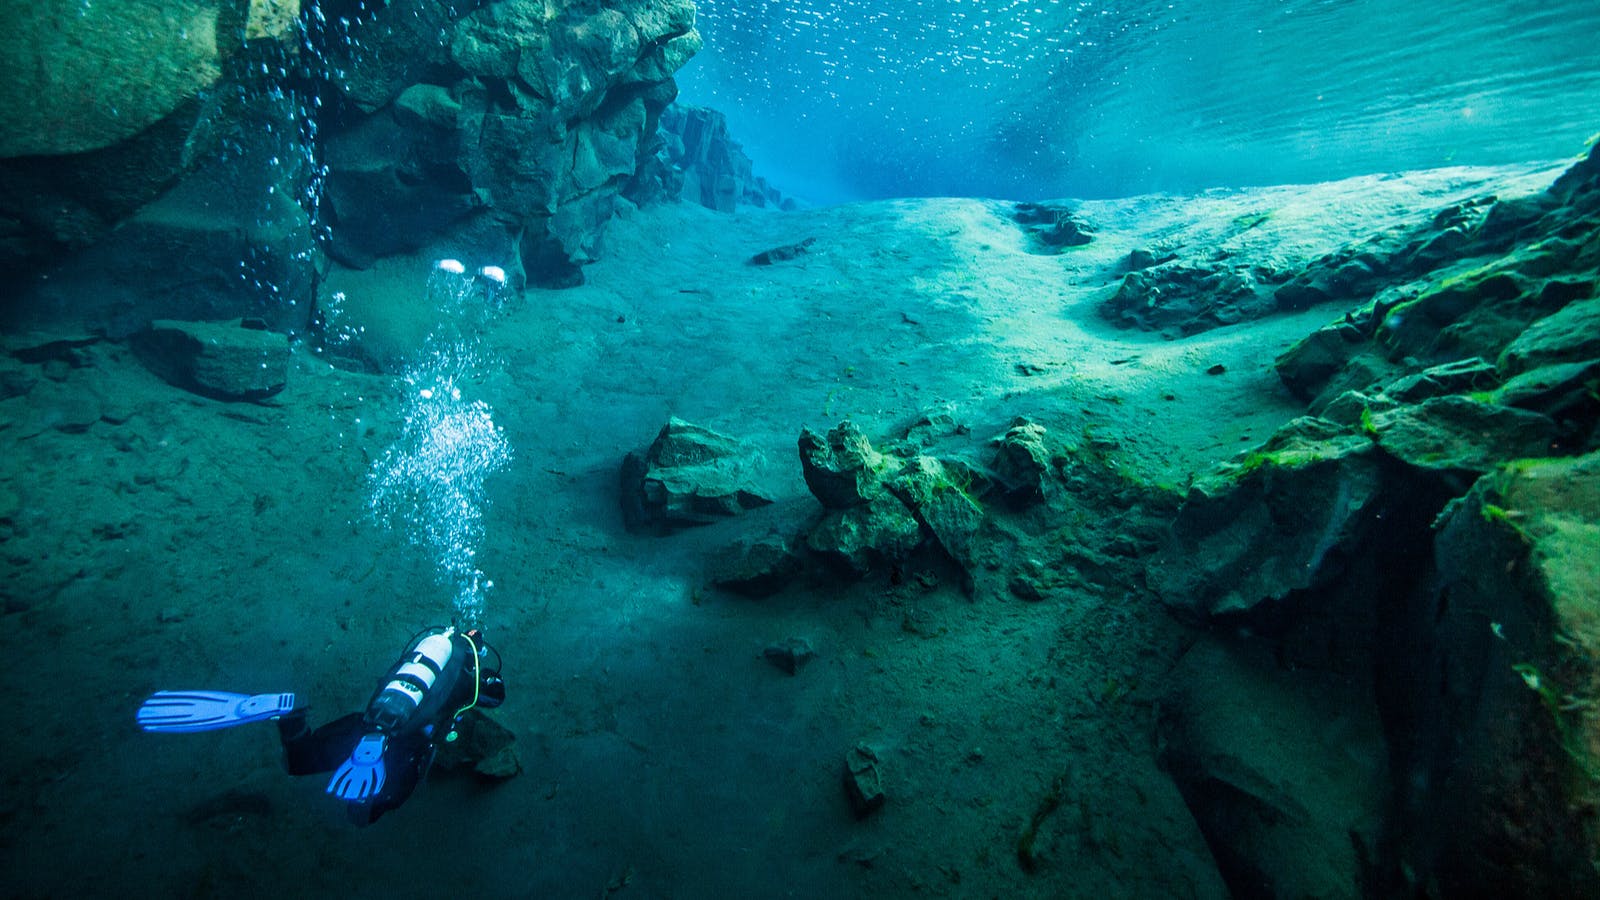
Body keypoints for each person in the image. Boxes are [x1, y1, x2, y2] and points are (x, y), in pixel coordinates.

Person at [137, 626, 505, 825]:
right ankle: (366, 801)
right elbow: (491, 698)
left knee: (296, 762)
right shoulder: (470, 679)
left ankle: (292, 717)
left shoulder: (430, 645)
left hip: (366, 722)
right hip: (407, 747)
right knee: (386, 800)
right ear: (478, 650)